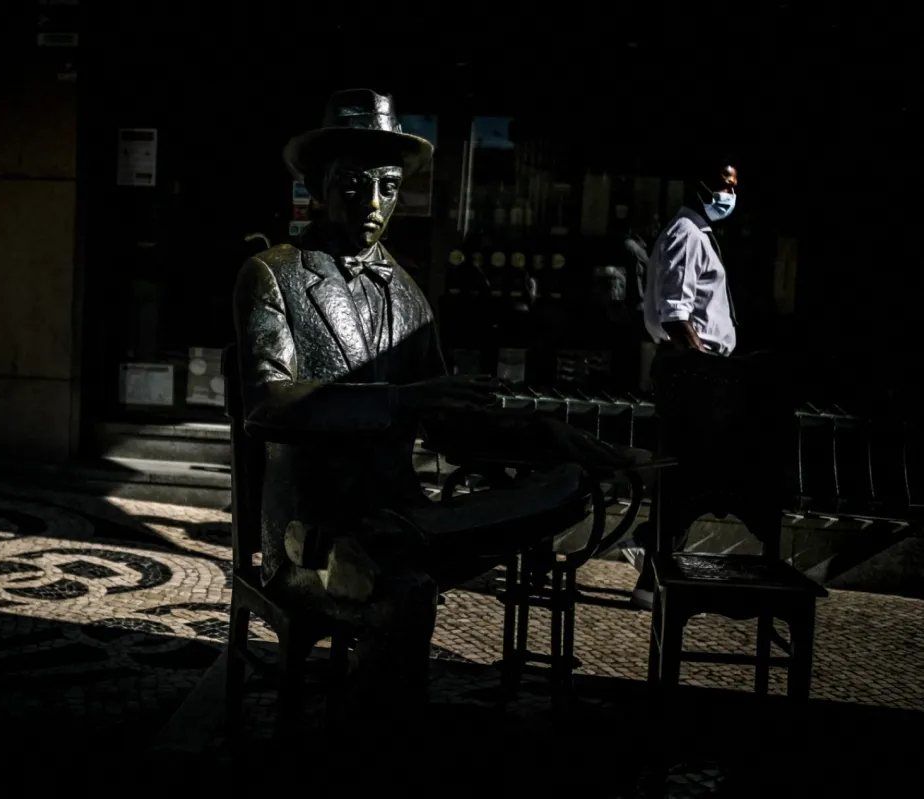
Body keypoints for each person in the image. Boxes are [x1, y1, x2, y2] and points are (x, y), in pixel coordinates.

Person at [233, 89, 632, 709]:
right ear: (316, 182)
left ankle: (405, 531)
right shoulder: (273, 274)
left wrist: (539, 437)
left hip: (398, 515)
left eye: (388, 187)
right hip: (309, 541)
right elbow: (267, 404)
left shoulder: (410, 298)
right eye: (353, 184)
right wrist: (399, 399)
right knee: (407, 590)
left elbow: (449, 428)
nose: (372, 204)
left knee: (566, 483)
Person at [627, 157, 741, 608]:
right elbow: (676, 314)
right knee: (690, 475)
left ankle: (651, 573)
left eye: (734, 185)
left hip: (700, 371)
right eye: (723, 184)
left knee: (691, 476)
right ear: (699, 186)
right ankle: (647, 553)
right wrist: (701, 369)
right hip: (693, 371)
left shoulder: (697, 234)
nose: (730, 194)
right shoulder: (686, 234)